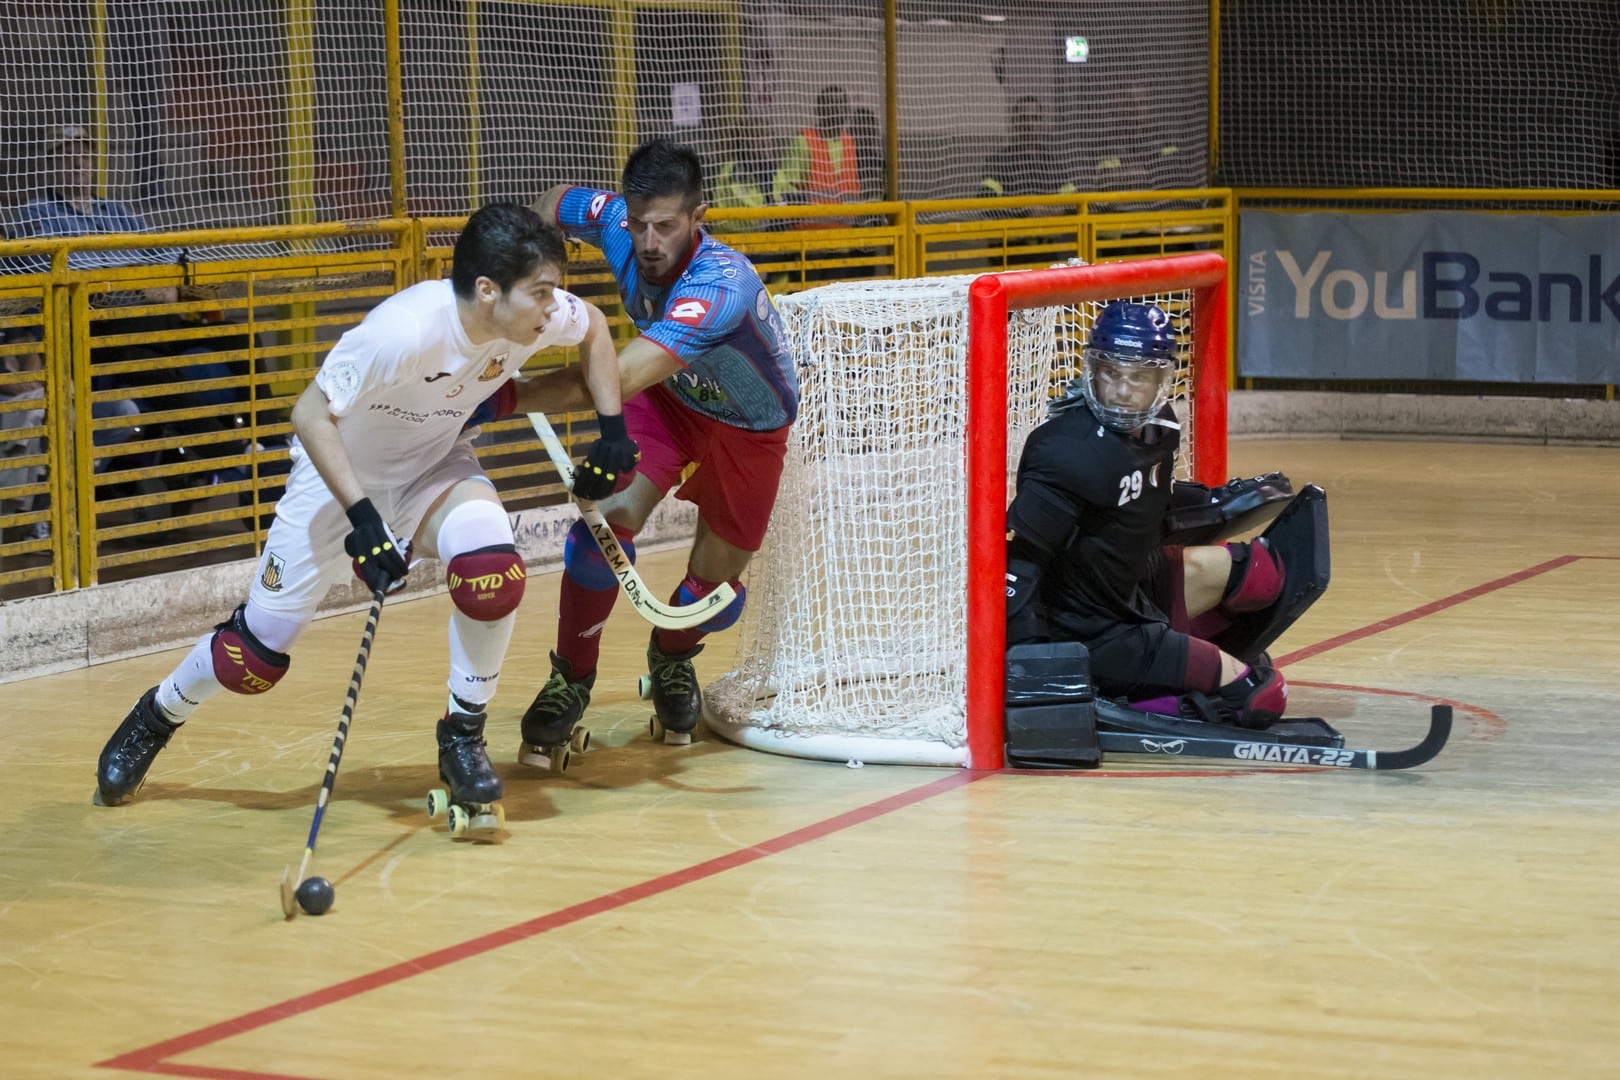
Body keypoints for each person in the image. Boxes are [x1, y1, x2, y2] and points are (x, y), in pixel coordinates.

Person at [92, 203, 636, 825]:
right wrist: (363, 518)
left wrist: (612, 429)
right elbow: (308, 415)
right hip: (339, 480)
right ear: (487, 291)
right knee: (255, 658)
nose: (552, 307)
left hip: (435, 465)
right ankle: (157, 714)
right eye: (541, 293)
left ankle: (463, 735)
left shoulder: (537, 316)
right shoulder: (403, 331)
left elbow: (593, 326)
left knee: (491, 570)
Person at [517, 137, 797, 760]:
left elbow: (612, 377)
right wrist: (531, 272)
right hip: (671, 400)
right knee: (600, 531)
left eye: (666, 226)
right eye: (639, 223)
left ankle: (672, 657)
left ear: (699, 218)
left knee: (713, 598)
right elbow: (553, 202)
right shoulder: (616, 219)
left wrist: (501, 397)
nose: (648, 242)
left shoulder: (721, 285)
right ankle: (571, 678)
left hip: (749, 429)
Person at [1004, 300, 1288, 728]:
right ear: (1092, 370)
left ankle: (1180, 664)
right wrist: (1030, 670)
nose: (1121, 390)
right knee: (1263, 697)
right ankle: (1125, 706)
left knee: (1264, 573)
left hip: (1132, 588)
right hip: (1093, 632)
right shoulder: (1064, 450)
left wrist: (1217, 503)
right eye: (1111, 373)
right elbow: (1019, 563)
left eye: (1138, 377)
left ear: (1161, 379)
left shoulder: (1163, 429)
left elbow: (1149, 513)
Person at [772, 85, 859, 223]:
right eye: (832, 104)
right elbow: (785, 186)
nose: (837, 109)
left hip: (845, 234)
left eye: (842, 104)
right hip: (810, 234)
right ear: (818, 110)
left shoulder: (849, 143)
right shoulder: (803, 141)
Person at [980, 94, 1074, 201]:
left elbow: (1073, 200)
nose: (1030, 125)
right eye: (1024, 118)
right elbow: (987, 200)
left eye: (1035, 118)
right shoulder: (998, 164)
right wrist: (1026, 210)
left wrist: (1056, 210)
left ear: (1042, 123)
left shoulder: (1054, 165)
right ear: (1014, 122)